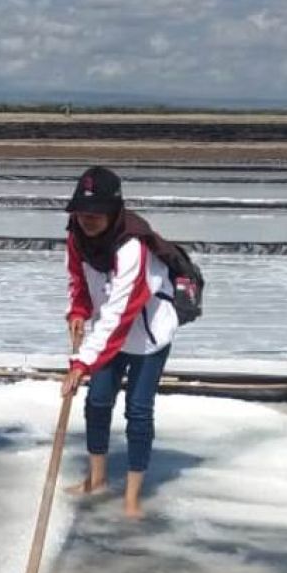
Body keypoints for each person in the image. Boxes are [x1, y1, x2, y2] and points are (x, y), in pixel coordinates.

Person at [60, 166, 178, 519]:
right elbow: (78, 280)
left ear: (114, 211)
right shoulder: (76, 236)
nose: (88, 220)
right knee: (97, 402)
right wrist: (78, 310)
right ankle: (96, 480)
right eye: (82, 212)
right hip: (107, 334)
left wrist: (82, 363)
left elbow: (120, 311)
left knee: (138, 411)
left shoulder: (132, 247)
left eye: (96, 214)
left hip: (148, 335)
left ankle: (131, 496)